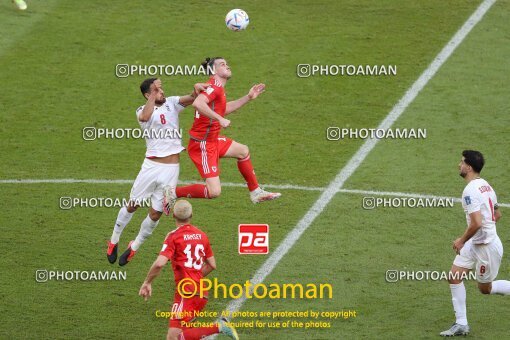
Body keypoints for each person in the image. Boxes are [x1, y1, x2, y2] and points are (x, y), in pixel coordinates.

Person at [107, 78, 207, 266]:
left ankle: (134, 246)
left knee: (156, 214)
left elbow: (192, 98)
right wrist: (153, 95)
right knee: (133, 205)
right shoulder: (142, 111)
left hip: (171, 170)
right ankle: (113, 241)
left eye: (161, 89)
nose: (162, 92)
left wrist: (196, 91)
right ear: (148, 95)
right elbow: (144, 117)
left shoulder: (171, 103)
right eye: (157, 90)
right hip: (151, 167)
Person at [170, 57, 281, 204]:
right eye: (222, 64)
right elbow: (197, 103)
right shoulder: (214, 86)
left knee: (243, 151)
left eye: (227, 64)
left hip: (212, 140)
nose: (227, 66)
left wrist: (248, 97)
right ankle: (172, 192)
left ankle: (255, 192)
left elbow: (223, 109)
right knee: (214, 191)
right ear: (213, 70)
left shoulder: (217, 87)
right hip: (202, 145)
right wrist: (220, 119)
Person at [139, 200, 239, 340]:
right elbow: (212, 265)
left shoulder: (173, 236)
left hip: (186, 292)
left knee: (175, 338)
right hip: (201, 293)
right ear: (191, 214)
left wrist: (147, 282)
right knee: (179, 336)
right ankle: (220, 326)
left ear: (173, 215)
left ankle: (220, 326)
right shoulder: (202, 235)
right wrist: (195, 276)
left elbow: (159, 264)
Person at [440, 150, 510, 336]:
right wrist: (484, 231)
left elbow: (477, 223)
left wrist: (461, 241)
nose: (459, 165)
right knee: (454, 276)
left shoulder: (469, 191)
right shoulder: (486, 185)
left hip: (486, 248)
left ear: (469, 167)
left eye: (462, 162)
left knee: (485, 289)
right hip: (477, 242)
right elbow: (497, 214)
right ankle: (461, 324)